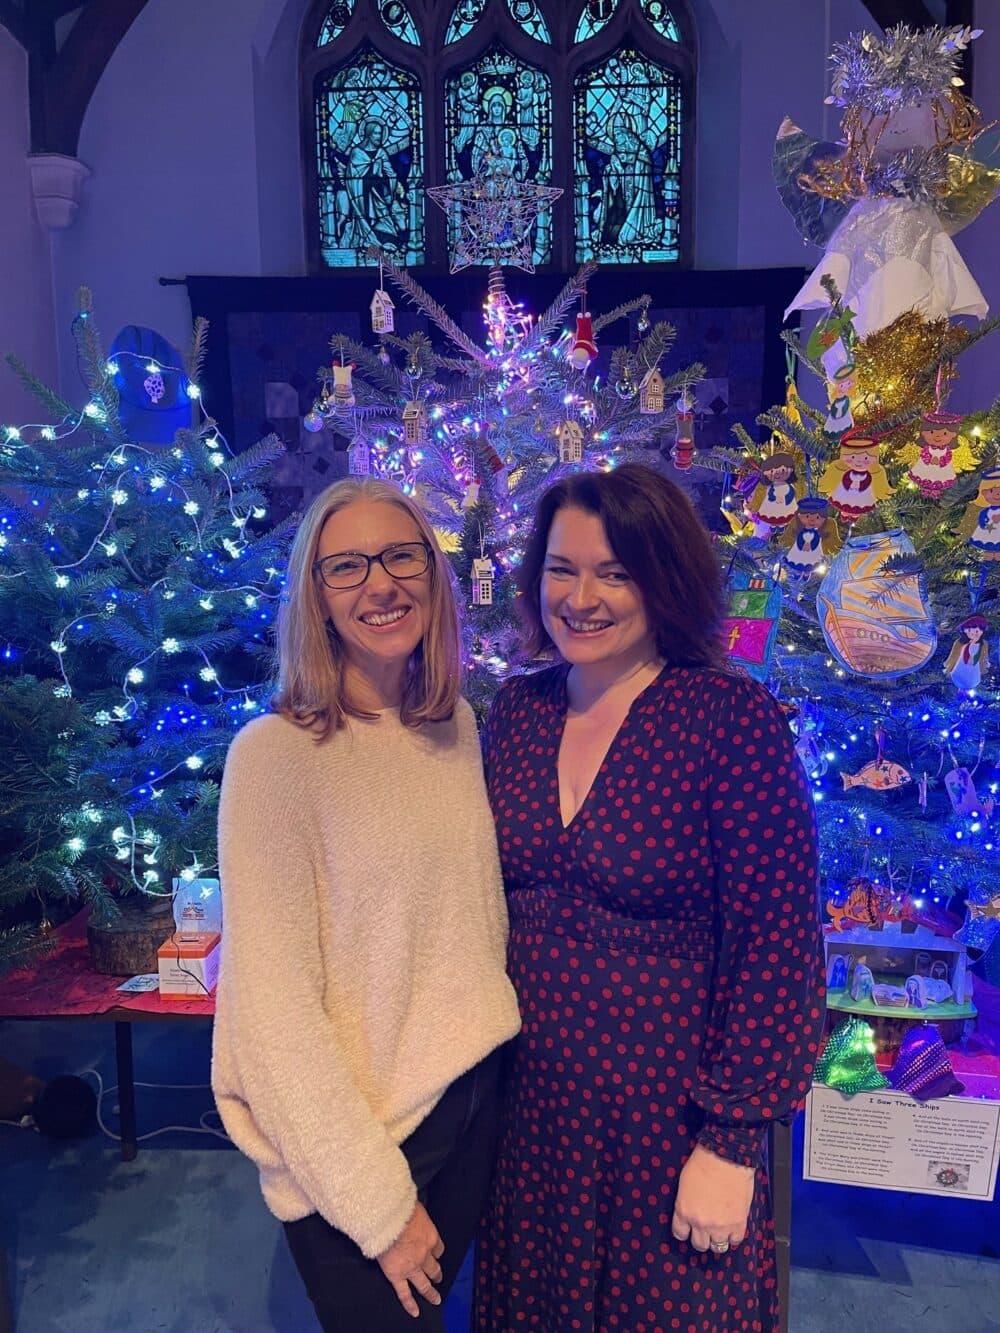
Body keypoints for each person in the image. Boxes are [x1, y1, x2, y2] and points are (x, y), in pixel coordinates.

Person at [474, 463, 825, 1332]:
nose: (581, 597)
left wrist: (732, 1141)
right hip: (530, 1114)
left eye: (615, 572)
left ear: (663, 579)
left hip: (670, 1120)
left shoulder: (729, 721)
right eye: (562, 568)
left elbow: (777, 946)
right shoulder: (516, 714)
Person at [212, 477, 521, 1331]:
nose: (379, 584)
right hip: (360, 1140)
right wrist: (379, 1205)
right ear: (314, 594)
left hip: (467, 1095)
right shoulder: (274, 758)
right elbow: (272, 1016)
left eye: (399, 555)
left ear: (433, 571)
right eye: (345, 566)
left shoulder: (450, 722)